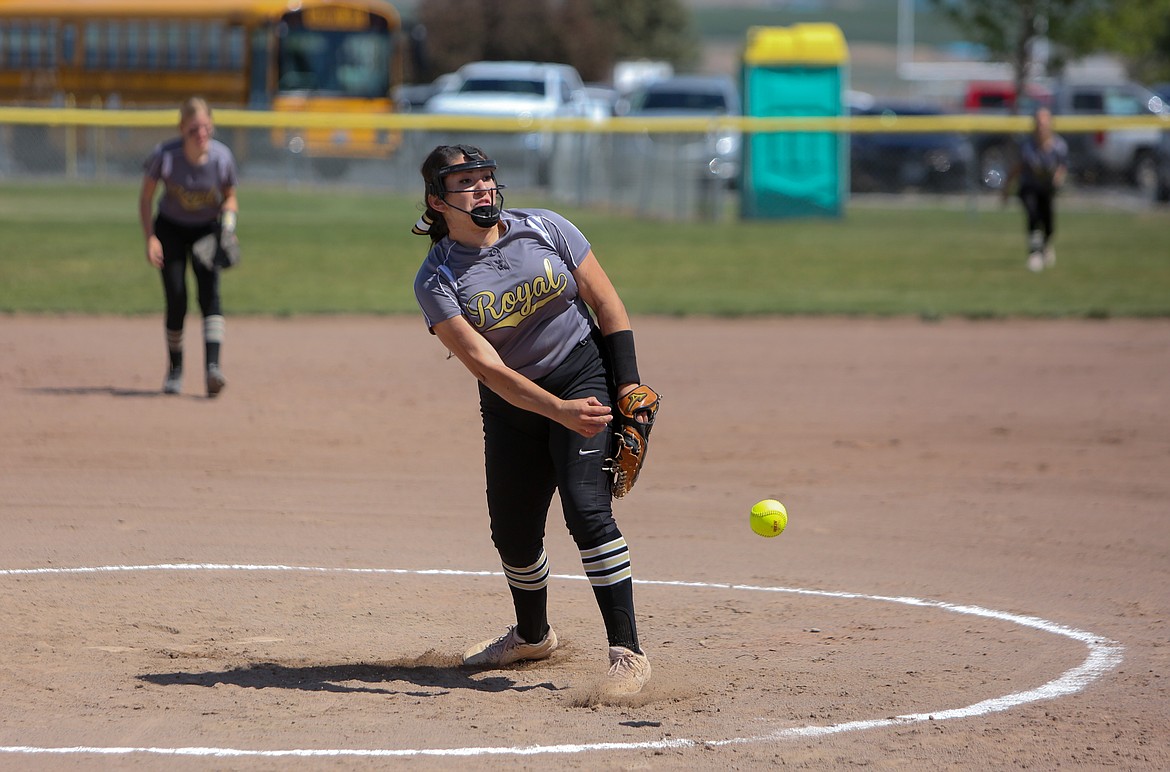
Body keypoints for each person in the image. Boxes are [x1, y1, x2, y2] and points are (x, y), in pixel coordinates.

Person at [412, 144, 652, 696]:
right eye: (465, 183)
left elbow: (608, 305)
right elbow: (487, 368)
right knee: (514, 533)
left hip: (581, 378)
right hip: (514, 403)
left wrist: (628, 384)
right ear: (436, 201)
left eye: (486, 179)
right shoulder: (437, 279)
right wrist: (555, 412)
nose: (482, 190)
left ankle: (628, 653)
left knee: (586, 509)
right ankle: (532, 635)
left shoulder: (546, 228)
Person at [138, 97, 239, 396]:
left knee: (210, 296)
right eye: (194, 128)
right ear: (182, 128)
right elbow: (145, 199)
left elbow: (230, 197)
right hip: (170, 229)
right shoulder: (165, 156)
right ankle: (175, 370)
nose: (201, 134)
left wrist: (229, 227)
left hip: (207, 231)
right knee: (177, 297)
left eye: (206, 127)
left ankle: (213, 370)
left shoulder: (222, 158)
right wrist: (150, 238)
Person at [1003, 106, 1068, 273]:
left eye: (1044, 122)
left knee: (1048, 223)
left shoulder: (1058, 145)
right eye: (1039, 122)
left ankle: (1046, 245)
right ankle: (1034, 253)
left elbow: (1062, 167)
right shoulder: (1026, 146)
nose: (1041, 126)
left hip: (1047, 188)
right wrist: (1006, 188)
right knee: (1032, 214)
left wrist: (1058, 178)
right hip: (1029, 186)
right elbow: (1016, 168)